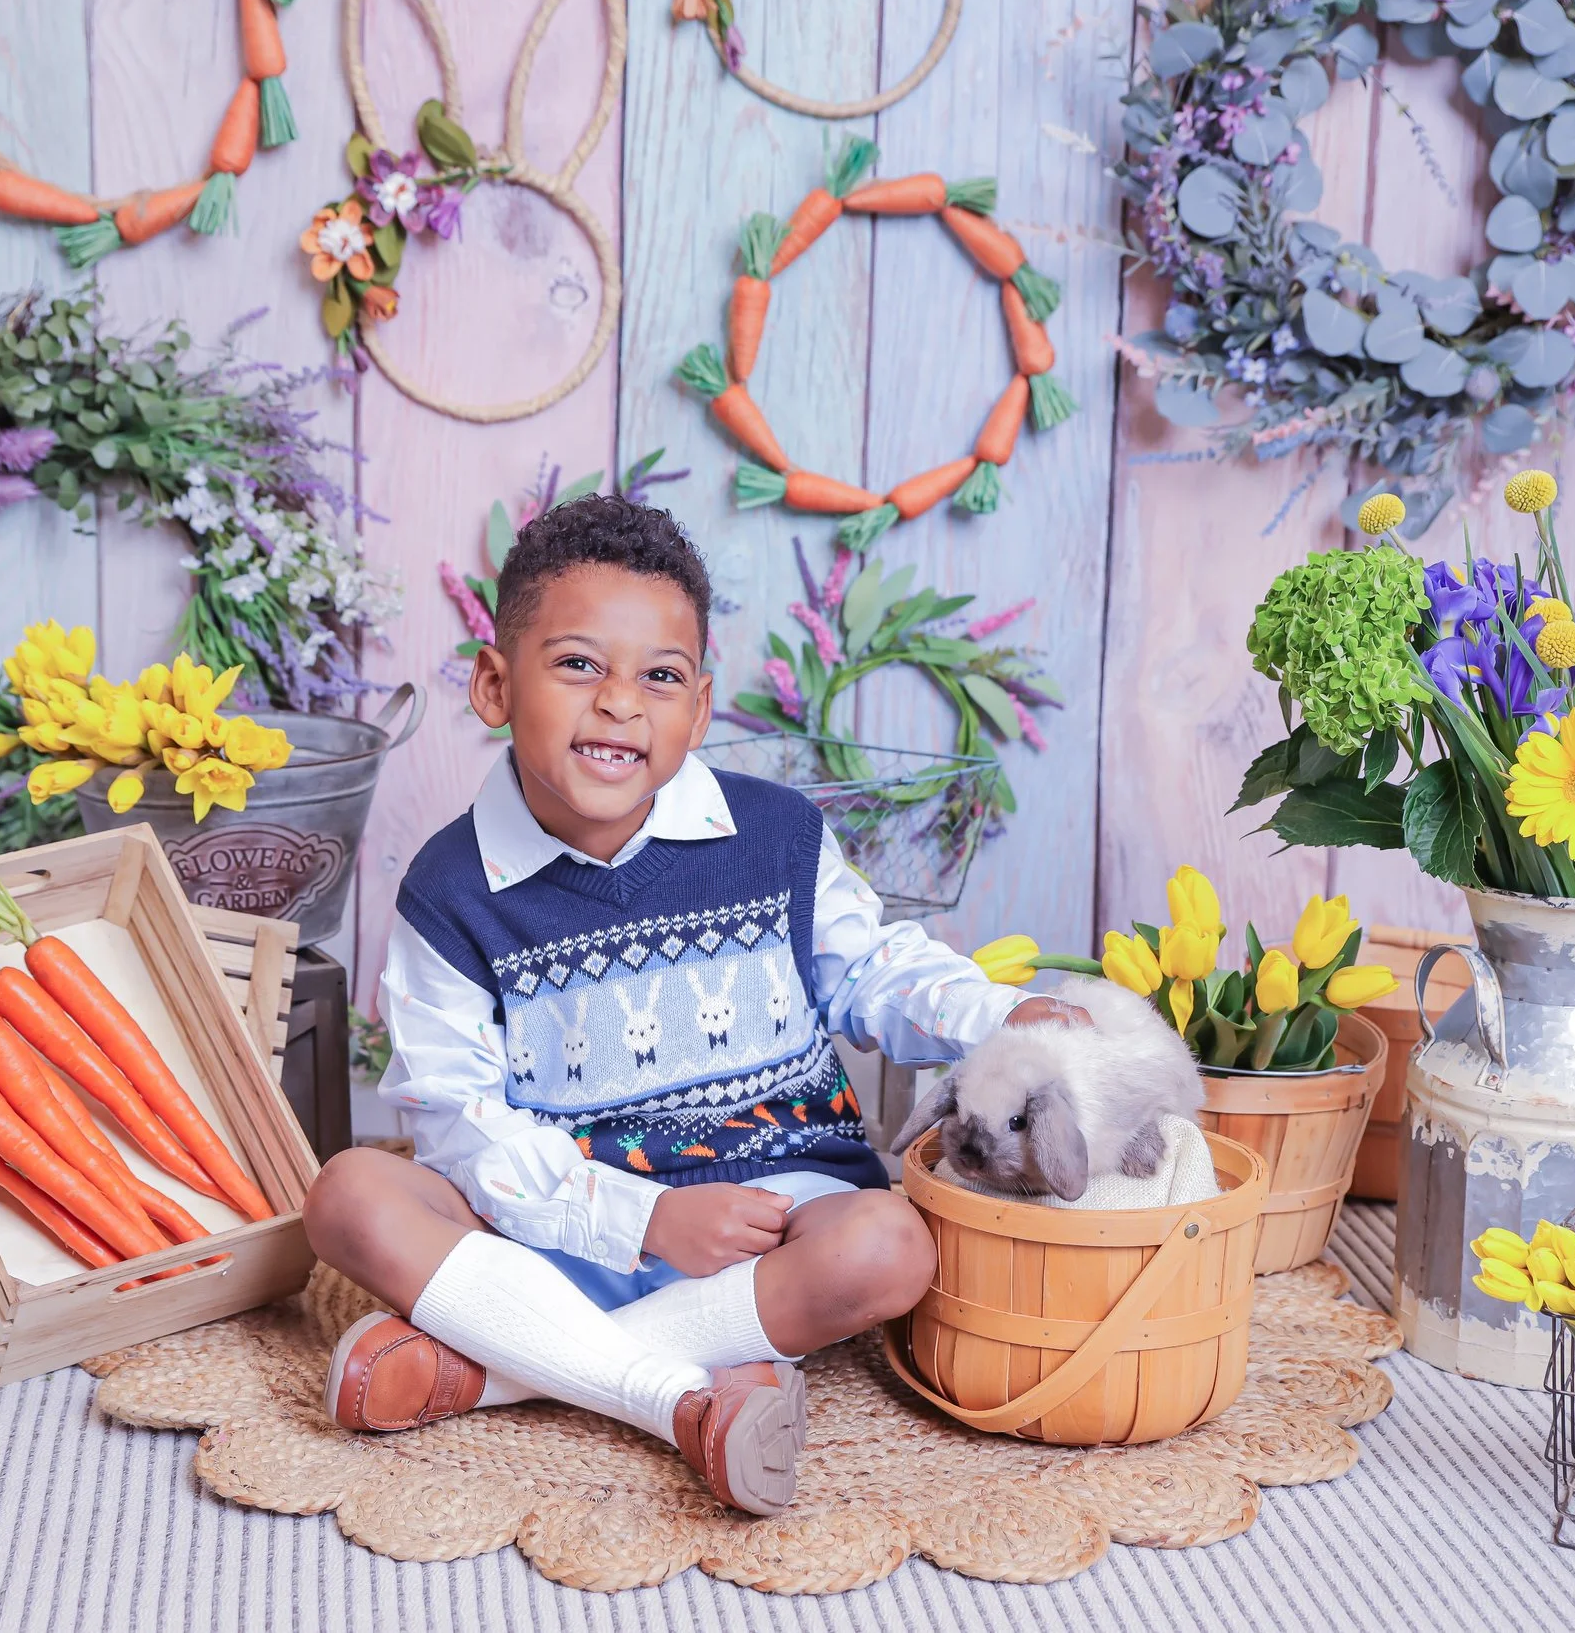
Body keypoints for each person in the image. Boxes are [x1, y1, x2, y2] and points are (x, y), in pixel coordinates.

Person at [303, 494, 1078, 1515]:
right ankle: (685, 1392)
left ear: (699, 708)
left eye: (659, 676)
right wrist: (644, 1216)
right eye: (578, 663)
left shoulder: (776, 834)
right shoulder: (450, 891)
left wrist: (997, 1017)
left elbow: (872, 971)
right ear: (495, 683)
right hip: (560, 1227)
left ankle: (496, 1370)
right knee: (351, 1193)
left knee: (891, 1243)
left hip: (774, 1223)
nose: (621, 702)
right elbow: (459, 1121)